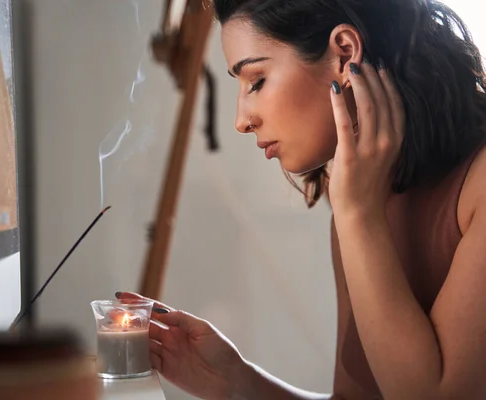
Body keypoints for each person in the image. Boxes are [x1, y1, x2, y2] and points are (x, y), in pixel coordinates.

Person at [118, 0, 486, 398]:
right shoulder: (357, 203)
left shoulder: (391, 204)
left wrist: (358, 217)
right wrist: (237, 382)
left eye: (256, 81)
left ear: (344, 53)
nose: (241, 121)